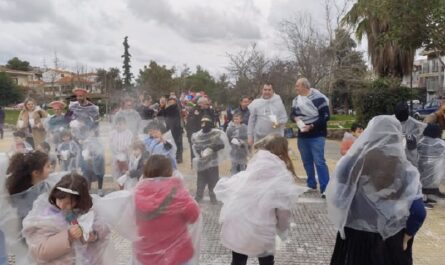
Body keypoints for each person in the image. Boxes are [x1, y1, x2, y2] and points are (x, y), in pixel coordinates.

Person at [326, 115, 426, 265]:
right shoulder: (406, 170)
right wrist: (407, 235)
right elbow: (418, 211)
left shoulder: (351, 163)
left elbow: (337, 199)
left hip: (355, 237)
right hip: (390, 238)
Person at [215, 135, 308, 265]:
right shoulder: (280, 174)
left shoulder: (253, 166)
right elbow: (283, 211)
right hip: (262, 228)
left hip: (238, 224)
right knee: (266, 262)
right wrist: (282, 229)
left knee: (238, 261)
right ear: (282, 151)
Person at [22, 173, 111, 264]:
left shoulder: (87, 211)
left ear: (80, 201)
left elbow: (104, 230)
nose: (62, 206)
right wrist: (69, 236)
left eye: (68, 203)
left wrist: (93, 234)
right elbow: (40, 250)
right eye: (59, 200)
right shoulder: (46, 216)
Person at [133, 155, 200, 265]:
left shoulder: (136, 194)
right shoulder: (179, 193)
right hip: (178, 256)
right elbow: (194, 216)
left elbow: (131, 221)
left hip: (147, 256)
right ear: (169, 171)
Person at [290, 78, 330, 196]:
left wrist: (312, 125)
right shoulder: (296, 100)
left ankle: (325, 188)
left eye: (297, 86)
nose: (296, 88)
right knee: (307, 162)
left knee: (319, 161)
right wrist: (295, 118)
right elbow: (292, 114)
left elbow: (326, 117)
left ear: (305, 86)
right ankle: (311, 184)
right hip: (302, 135)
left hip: (317, 134)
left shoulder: (319, 98)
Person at [191, 116, 230, 204]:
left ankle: (213, 198)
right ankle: (198, 196)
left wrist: (211, 148)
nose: (203, 125)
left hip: (212, 162)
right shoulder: (198, 135)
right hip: (202, 161)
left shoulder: (214, 134)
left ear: (209, 124)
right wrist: (200, 151)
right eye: (202, 123)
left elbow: (221, 145)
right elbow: (195, 145)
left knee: (213, 180)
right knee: (200, 180)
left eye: (205, 123)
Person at [418, 123, 445, 206]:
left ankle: (430, 192)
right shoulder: (440, 143)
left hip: (421, 169)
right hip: (432, 170)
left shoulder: (420, 141)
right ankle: (424, 199)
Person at [185, 97, 218, 166]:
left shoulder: (208, 110)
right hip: (196, 133)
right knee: (196, 149)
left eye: (208, 104)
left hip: (207, 133)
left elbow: (213, 119)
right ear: (200, 104)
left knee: (207, 149)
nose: (208, 105)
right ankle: (195, 164)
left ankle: (206, 163)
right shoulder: (194, 111)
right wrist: (191, 135)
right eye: (206, 104)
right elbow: (190, 124)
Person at [394, 102, 427, 167]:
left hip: (410, 156)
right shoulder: (391, 121)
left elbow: (422, 132)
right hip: (395, 156)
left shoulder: (414, 123)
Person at [157, 96, 184, 164]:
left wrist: (164, 107)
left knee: (178, 143)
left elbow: (167, 111)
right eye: (161, 102)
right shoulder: (164, 109)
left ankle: (179, 158)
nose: (171, 103)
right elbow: (159, 116)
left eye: (172, 102)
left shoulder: (174, 108)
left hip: (176, 129)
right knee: (170, 143)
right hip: (168, 129)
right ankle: (172, 157)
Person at [80, 131, 105, 196]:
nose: (91, 133)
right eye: (90, 132)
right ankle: (88, 190)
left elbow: (101, 151)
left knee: (99, 175)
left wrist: (93, 157)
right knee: (88, 175)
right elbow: (83, 151)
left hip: (98, 161)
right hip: (88, 161)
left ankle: (100, 189)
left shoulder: (99, 140)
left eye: (92, 132)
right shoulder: (86, 140)